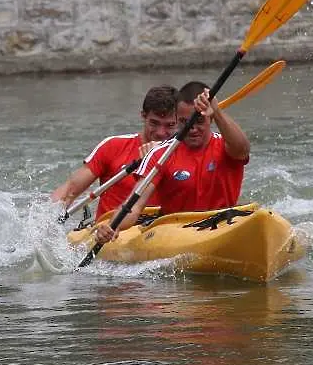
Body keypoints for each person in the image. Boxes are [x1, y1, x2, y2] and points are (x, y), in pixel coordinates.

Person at [95, 80, 250, 243]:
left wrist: (217, 111)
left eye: (199, 121)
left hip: (223, 224)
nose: (192, 128)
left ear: (210, 119)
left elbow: (243, 149)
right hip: (177, 231)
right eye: (185, 122)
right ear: (176, 118)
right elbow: (135, 205)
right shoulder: (161, 154)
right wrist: (113, 225)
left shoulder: (226, 146)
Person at [51, 85, 178, 218]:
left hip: (161, 229)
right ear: (143, 116)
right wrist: (47, 221)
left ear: (180, 122)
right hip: (109, 231)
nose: (161, 132)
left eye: (170, 125)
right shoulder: (113, 147)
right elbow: (69, 192)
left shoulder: (187, 154)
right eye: (154, 123)